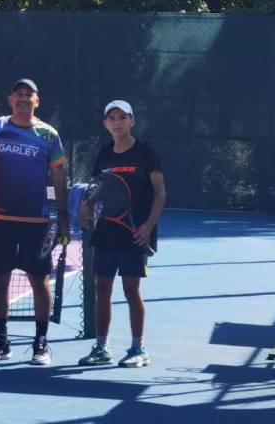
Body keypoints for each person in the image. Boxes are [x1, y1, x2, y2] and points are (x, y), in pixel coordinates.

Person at [0, 79, 69, 366]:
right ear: (10, 99)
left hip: (35, 221)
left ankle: (40, 343)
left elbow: (59, 177)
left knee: (39, 281)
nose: (23, 99)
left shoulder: (48, 135)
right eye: (18, 95)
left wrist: (64, 217)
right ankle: (1, 340)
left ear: (37, 102)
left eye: (29, 95)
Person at [77, 100, 166, 368]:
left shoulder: (146, 152)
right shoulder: (104, 152)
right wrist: (87, 202)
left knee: (131, 290)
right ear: (106, 124)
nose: (117, 122)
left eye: (122, 117)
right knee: (102, 288)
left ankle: (139, 349)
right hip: (107, 229)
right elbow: (101, 186)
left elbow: (160, 192)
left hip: (136, 231)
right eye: (112, 118)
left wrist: (148, 226)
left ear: (132, 121)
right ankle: (102, 348)